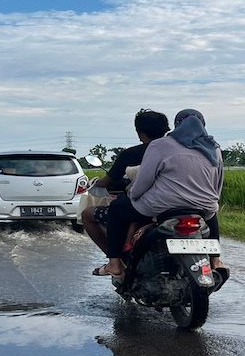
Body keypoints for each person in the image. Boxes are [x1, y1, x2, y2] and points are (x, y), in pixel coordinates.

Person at [94, 108, 224, 279]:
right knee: (211, 213)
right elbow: (217, 185)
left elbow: (143, 181)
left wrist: (133, 195)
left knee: (117, 208)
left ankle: (115, 264)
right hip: (203, 206)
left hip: (161, 205)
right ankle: (216, 261)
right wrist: (209, 201)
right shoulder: (214, 149)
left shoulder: (160, 146)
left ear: (177, 126)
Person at [81, 109, 170, 255]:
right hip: (183, 205)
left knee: (95, 213)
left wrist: (97, 183)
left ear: (140, 132)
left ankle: (115, 260)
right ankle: (215, 261)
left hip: (147, 206)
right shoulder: (178, 150)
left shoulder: (132, 153)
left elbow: (108, 180)